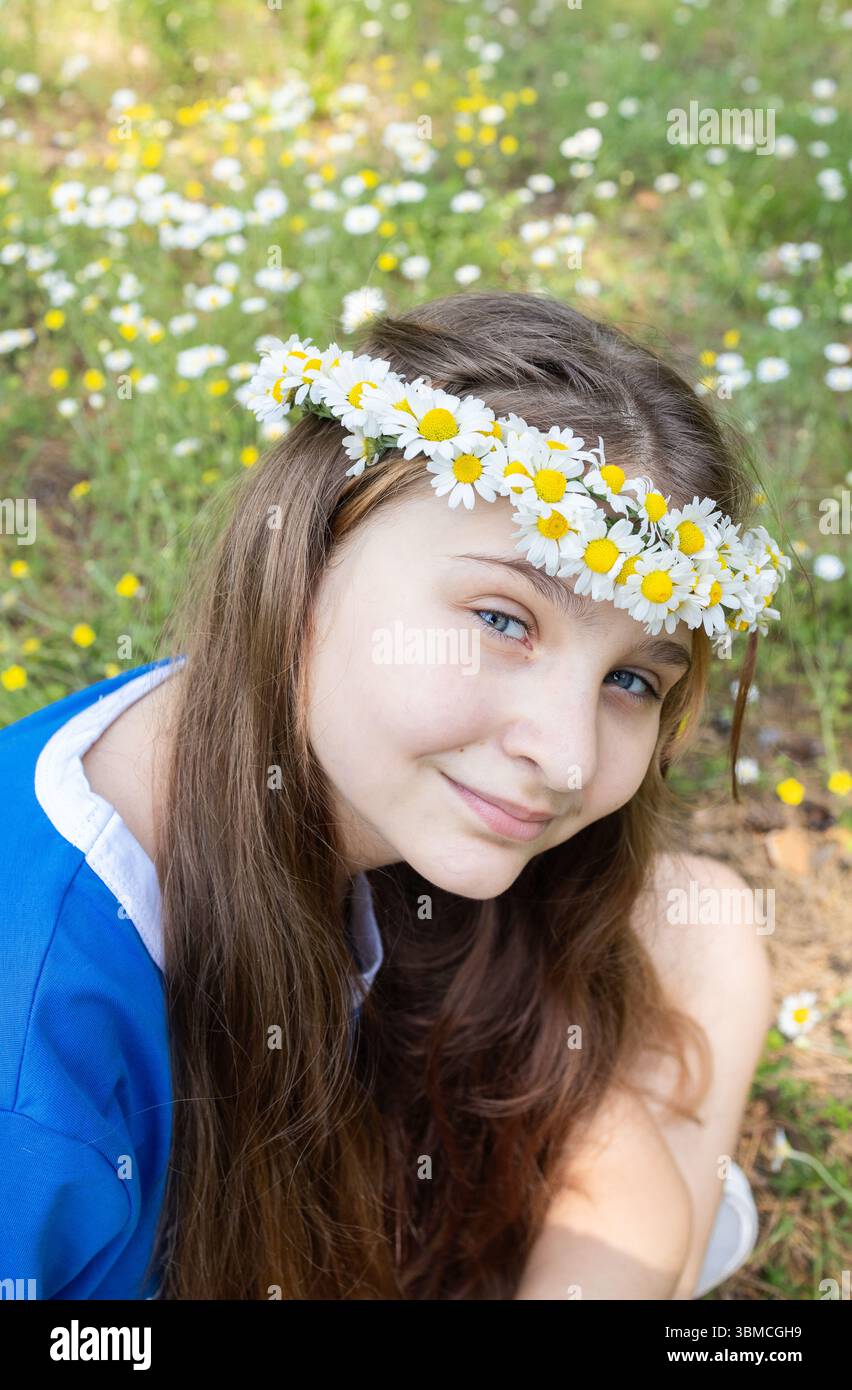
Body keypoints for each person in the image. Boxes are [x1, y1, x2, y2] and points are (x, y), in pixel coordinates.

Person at [0, 290, 783, 1300]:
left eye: (634, 679)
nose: (570, 756)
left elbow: (612, 1148)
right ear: (311, 548)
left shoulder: (293, 749)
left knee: (704, 924)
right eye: (504, 618)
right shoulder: (39, 1053)